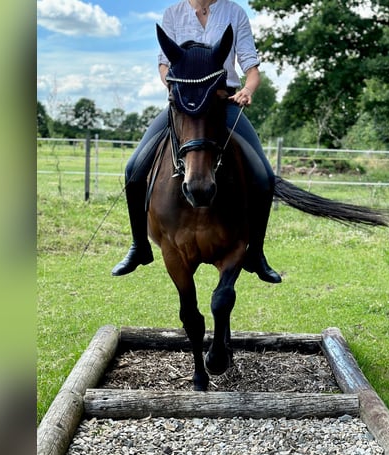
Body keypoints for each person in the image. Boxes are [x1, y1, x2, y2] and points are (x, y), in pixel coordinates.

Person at [111, 0, 281, 283]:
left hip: (222, 102)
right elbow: (164, 66)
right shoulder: (173, 14)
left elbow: (251, 68)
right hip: (183, 104)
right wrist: (177, 88)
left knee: (264, 176)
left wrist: (248, 91)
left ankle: (256, 254)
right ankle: (139, 246)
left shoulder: (234, 13)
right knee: (133, 169)